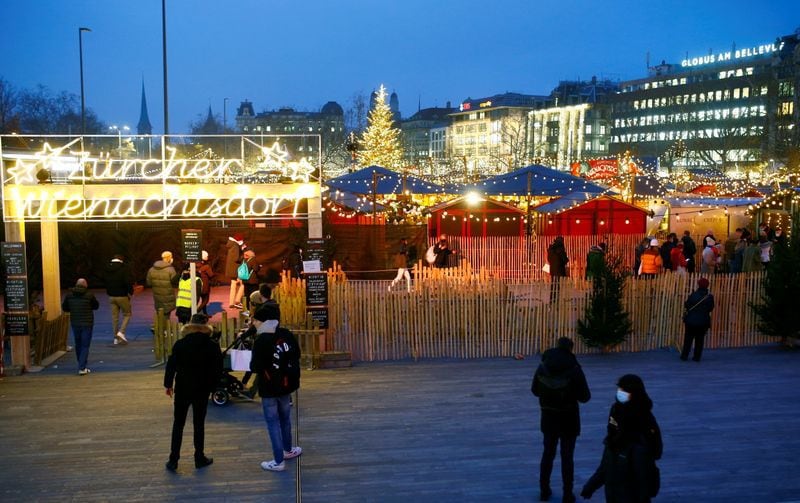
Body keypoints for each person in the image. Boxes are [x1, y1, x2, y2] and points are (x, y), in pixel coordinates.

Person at [581, 374, 662, 502]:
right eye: (619, 390)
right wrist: (591, 485)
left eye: (624, 390)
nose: (620, 393)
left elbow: (643, 475)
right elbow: (607, 464)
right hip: (614, 493)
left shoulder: (641, 434)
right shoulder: (616, 413)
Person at [531, 337, 591, 502]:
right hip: (569, 418)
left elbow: (534, 390)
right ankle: (567, 493)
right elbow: (585, 397)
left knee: (547, 454)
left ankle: (544, 490)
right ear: (571, 349)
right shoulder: (574, 368)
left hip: (549, 417)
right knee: (567, 457)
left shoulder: (543, 366)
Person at [164, 313, 222, 472]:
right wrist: (213, 386)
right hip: (202, 389)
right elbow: (217, 369)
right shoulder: (211, 345)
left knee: (178, 423)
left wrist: (168, 384)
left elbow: (171, 365)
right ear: (206, 326)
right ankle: (199, 457)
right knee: (199, 424)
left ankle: (173, 459)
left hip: (183, 387)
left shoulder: (180, 344)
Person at [250, 303, 302, 472]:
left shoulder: (261, 341)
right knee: (285, 419)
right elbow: (297, 354)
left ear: (264, 322)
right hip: (286, 385)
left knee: (273, 423)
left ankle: (278, 461)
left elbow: (255, 366)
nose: (254, 324)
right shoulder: (286, 334)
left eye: (256, 321)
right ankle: (288, 450)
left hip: (269, 388)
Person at [61, 278, 100, 375]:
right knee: (85, 345)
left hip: (75, 322)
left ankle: (81, 364)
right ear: (85, 285)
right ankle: (82, 367)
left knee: (78, 344)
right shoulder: (89, 295)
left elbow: (65, 307)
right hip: (87, 323)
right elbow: (96, 306)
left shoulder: (69, 295)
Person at [681, 277, 715, 362]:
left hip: (691, 321)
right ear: (707, 286)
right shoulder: (709, 297)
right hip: (703, 321)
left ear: (698, 285)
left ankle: (684, 355)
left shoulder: (693, 295)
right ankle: (697, 357)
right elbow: (710, 308)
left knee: (688, 339)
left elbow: (687, 305)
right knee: (700, 340)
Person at [104, 254, 133, 345]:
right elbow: (127, 281)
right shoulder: (124, 268)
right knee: (127, 314)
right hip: (122, 295)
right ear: (121, 260)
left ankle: (115, 338)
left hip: (111, 296)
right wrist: (130, 292)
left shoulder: (107, 268)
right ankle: (121, 332)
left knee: (115, 318)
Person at [147, 251, 178, 319]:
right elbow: (175, 282)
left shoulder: (151, 269)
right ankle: (164, 328)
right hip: (168, 295)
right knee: (166, 313)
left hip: (157, 295)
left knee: (159, 311)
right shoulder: (170, 269)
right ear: (169, 258)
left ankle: (158, 326)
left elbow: (148, 283)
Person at [226, 233, 245, 309]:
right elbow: (237, 258)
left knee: (233, 285)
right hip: (236, 270)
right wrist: (243, 256)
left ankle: (231, 303)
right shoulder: (235, 246)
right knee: (243, 284)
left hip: (231, 269)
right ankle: (237, 300)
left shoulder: (230, 245)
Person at [197, 250, 216, 315]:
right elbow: (211, 275)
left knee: (202, 300)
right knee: (205, 300)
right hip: (205, 286)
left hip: (198, 286)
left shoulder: (195, 266)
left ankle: (205, 314)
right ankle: (196, 311)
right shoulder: (206, 267)